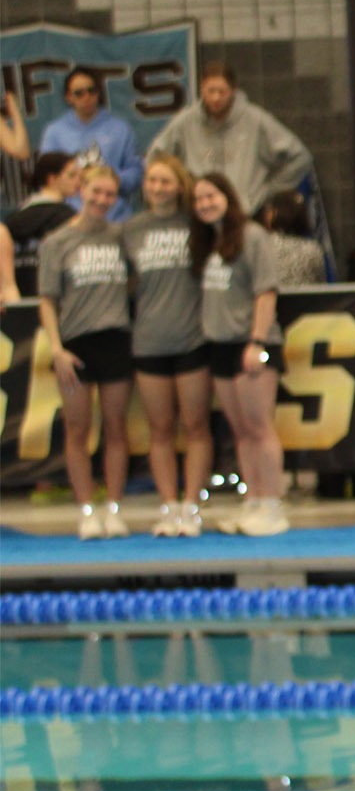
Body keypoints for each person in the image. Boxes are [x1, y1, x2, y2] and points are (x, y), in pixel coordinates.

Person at [191, 171, 289, 536]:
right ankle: (254, 501)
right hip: (220, 346)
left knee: (260, 426)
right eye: (199, 199)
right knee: (241, 431)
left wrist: (257, 342)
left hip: (252, 344)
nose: (205, 204)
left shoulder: (253, 236)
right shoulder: (211, 243)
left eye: (211, 196)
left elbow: (266, 291)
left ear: (228, 197)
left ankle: (273, 505)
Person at [38, 166, 134, 539]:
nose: (101, 200)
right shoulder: (57, 242)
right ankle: (86, 510)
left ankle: (113, 507)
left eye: (109, 195)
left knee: (116, 428)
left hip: (115, 339)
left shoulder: (121, 237)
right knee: (77, 429)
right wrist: (57, 348)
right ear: (81, 189)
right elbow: (47, 300)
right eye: (96, 192)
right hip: (75, 345)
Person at [123, 154, 212, 537]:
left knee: (195, 425)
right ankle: (168, 505)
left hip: (193, 338)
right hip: (149, 341)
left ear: (179, 185)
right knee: (159, 428)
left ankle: (191, 506)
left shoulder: (198, 224)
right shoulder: (131, 230)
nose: (158, 188)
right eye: (152, 181)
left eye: (165, 181)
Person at [149, 61, 314, 216]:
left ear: (233, 90)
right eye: (210, 91)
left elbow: (300, 157)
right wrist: (181, 189)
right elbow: (155, 158)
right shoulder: (185, 122)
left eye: (222, 91)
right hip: (199, 214)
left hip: (245, 214)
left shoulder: (255, 120)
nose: (216, 98)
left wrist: (267, 191)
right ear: (201, 89)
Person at [39, 67, 143, 221]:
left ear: (99, 93)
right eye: (79, 93)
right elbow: (47, 178)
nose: (86, 97)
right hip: (69, 217)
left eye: (91, 90)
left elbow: (136, 171)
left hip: (115, 216)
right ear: (68, 97)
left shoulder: (120, 128)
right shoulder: (55, 132)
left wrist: (113, 180)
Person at [1, 152, 82, 302]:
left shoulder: (12, 220)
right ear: (52, 179)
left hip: (19, 299)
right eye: (72, 175)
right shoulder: (71, 219)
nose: (79, 181)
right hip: (57, 298)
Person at [261, 189, 326, 286]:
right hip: (306, 301)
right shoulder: (313, 249)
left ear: (273, 214)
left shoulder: (264, 246)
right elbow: (320, 287)